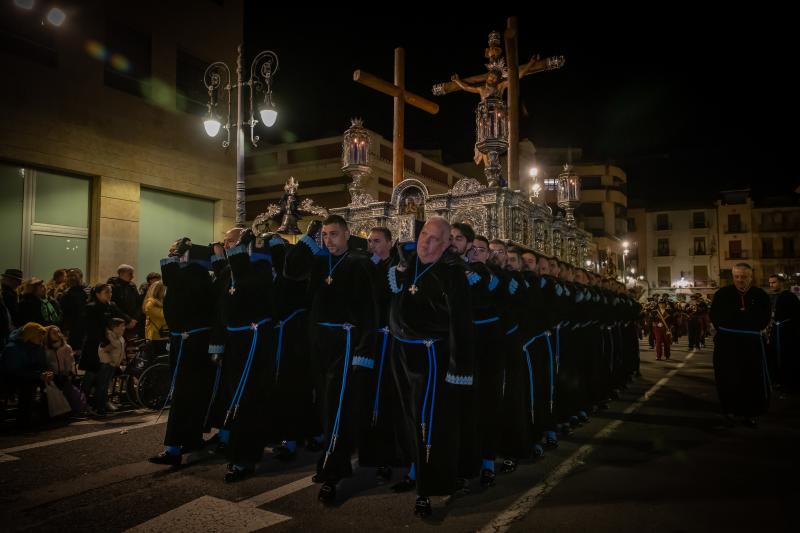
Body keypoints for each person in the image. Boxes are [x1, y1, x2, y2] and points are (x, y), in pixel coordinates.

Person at [283, 215, 377, 504]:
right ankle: (337, 456)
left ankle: (332, 471)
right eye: (324, 235)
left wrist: (363, 350)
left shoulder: (360, 262)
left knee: (337, 405)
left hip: (346, 342)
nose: (329, 240)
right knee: (325, 404)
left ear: (347, 234)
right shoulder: (319, 260)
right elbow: (291, 270)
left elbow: (369, 311)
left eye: (333, 234)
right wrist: (308, 239)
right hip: (319, 344)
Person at [387, 217, 475, 517]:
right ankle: (415, 471)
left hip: (430, 358)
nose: (426, 242)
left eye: (435, 238)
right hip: (400, 353)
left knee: (428, 422)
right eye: (424, 234)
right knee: (406, 417)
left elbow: (461, 324)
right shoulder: (407, 262)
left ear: (447, 243)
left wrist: (459, 367)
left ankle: (427, 489)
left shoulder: (453, 274)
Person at [710, 263, 771, 427]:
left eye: (744, 277)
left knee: (750, 380)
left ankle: (749, 413)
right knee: (728, 377)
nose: (740, 280)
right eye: (737, 277)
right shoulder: (722, 294)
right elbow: (715, 316)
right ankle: (729, 409)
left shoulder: (760, 295)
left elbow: (764, 318)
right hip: (727, 345)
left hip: (751, 345)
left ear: (750, 277)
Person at [0, 322, 52, 427]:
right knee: (28, 387)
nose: (42, 338)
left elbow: (42, 364)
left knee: (56, 379)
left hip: (31, 374)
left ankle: (48, 414)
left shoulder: (38, 346)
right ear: (30, 336)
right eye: (39, 336)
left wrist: (47, 372)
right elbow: (14, 372)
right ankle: (23, 420)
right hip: (11, 378)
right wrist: (38, 375)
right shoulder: (13, 348)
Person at [94, 317, 126, 415]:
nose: (124, 328)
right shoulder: (109, 337)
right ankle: (100, 407)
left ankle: (104, 405)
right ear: (114, 327)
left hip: (113, 365)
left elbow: (120, 349)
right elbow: (103, 350)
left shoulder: (119, 337)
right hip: (106, 364)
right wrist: (110, 361)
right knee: (102, 386)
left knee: (106, 386)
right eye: (121, 326)